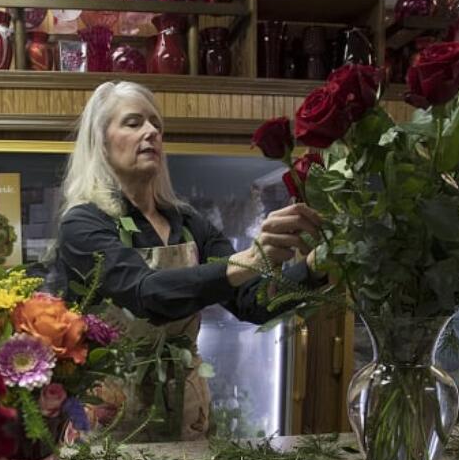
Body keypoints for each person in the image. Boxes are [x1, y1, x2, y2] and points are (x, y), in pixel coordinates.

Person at [47, 80, 323, 440]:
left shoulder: (188, 222)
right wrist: (252, 258)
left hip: (186, 408)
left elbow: (252, 301)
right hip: (112, 416)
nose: (151, 132)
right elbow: (147, 295)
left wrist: (317, 266)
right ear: (100, 141)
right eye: (133, 123)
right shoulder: (84, 223)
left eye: (156, 125)